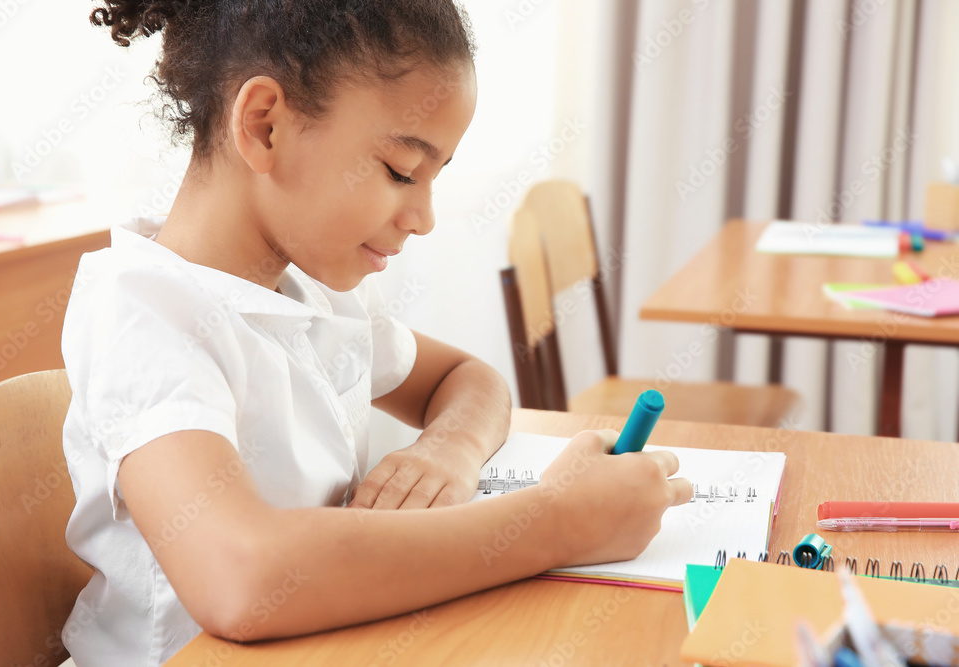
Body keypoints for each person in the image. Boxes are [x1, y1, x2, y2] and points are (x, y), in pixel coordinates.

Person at [61, 1, 693, 665]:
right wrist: (557, 521)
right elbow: (242, 579)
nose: (423, 218)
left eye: (434, 178)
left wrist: (445, 452)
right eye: (399, 171)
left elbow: (469, 380)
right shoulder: (144, 313)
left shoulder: (308, 293)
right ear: (265, 125)